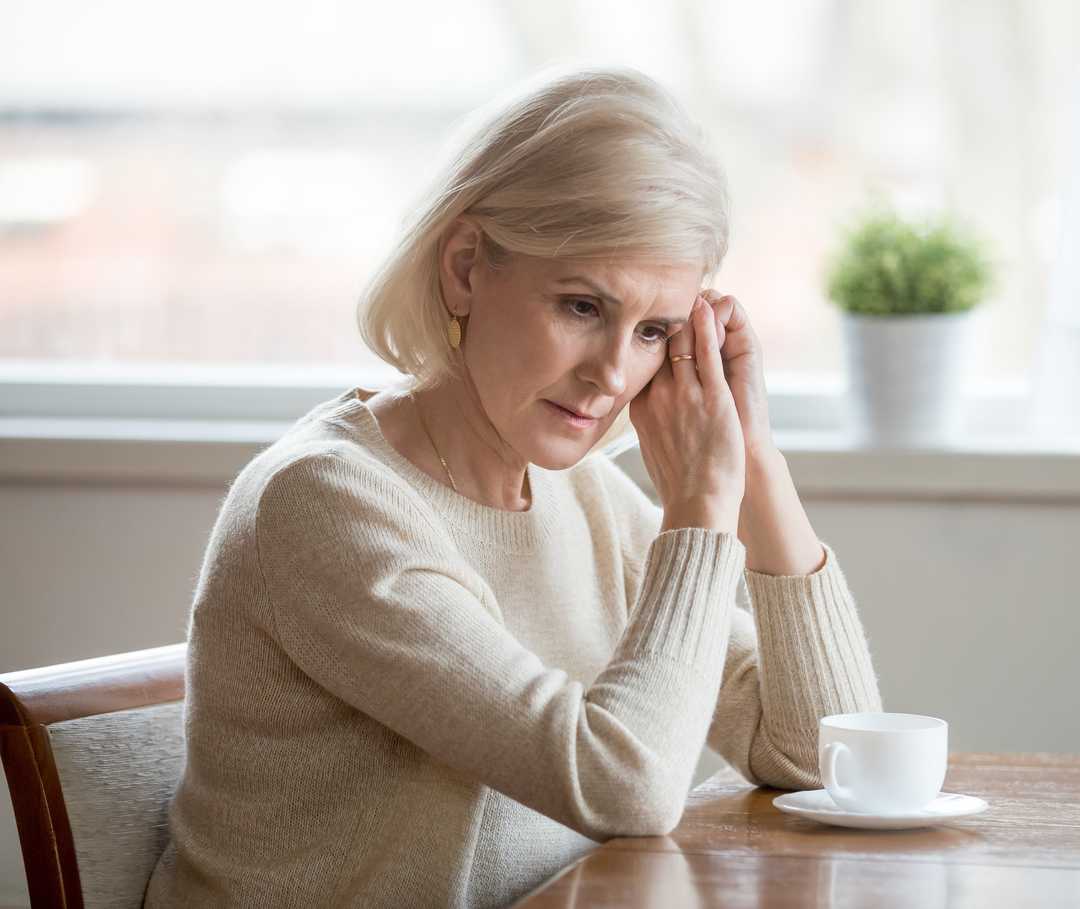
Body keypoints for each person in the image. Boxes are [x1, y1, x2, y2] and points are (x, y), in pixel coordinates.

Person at [142, 63, 882, 909]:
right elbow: (624, 789)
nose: (611, 373)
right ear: (464, 267)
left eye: (653, 332)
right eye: (580, 306)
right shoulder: (325, 502)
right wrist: (701, 514)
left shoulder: (581, 497)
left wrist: (755, 468)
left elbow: (825, 756)